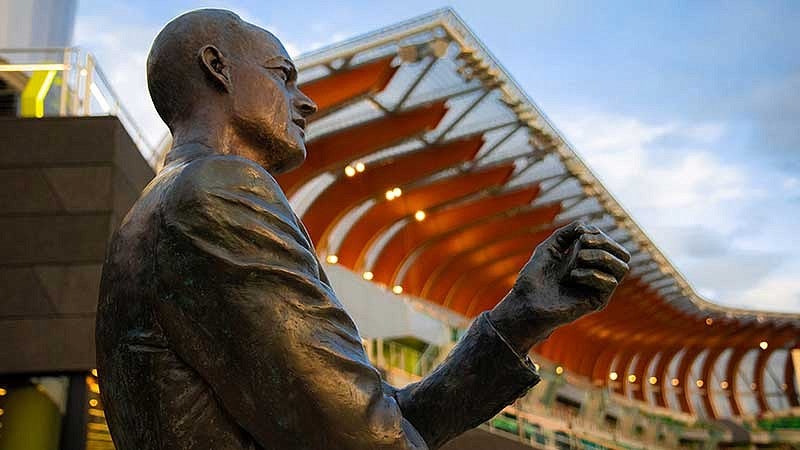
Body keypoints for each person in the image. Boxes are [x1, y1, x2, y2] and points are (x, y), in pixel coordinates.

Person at [96, 9, 630, 450]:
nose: (305, 102)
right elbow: (366, 440)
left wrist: (519, 320)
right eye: (283, 76)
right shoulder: (219, 190)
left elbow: (373, 420)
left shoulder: (160, 207)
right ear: (218, 69)